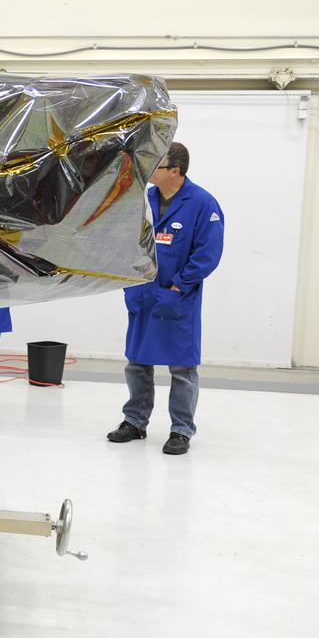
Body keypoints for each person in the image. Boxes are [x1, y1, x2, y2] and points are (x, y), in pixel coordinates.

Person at [106, 142, 224, 455]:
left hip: (177, 297)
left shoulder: (202, 204)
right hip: (143, 293)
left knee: (182, 368)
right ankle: (135, 421)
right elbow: (124, 240)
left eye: (156, 165)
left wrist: (179, 285)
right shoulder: (144, 199)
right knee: (137, 362)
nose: (149, 170)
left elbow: (208, 253)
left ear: (175, 171)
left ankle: (181, 430)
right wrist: (131, 283)